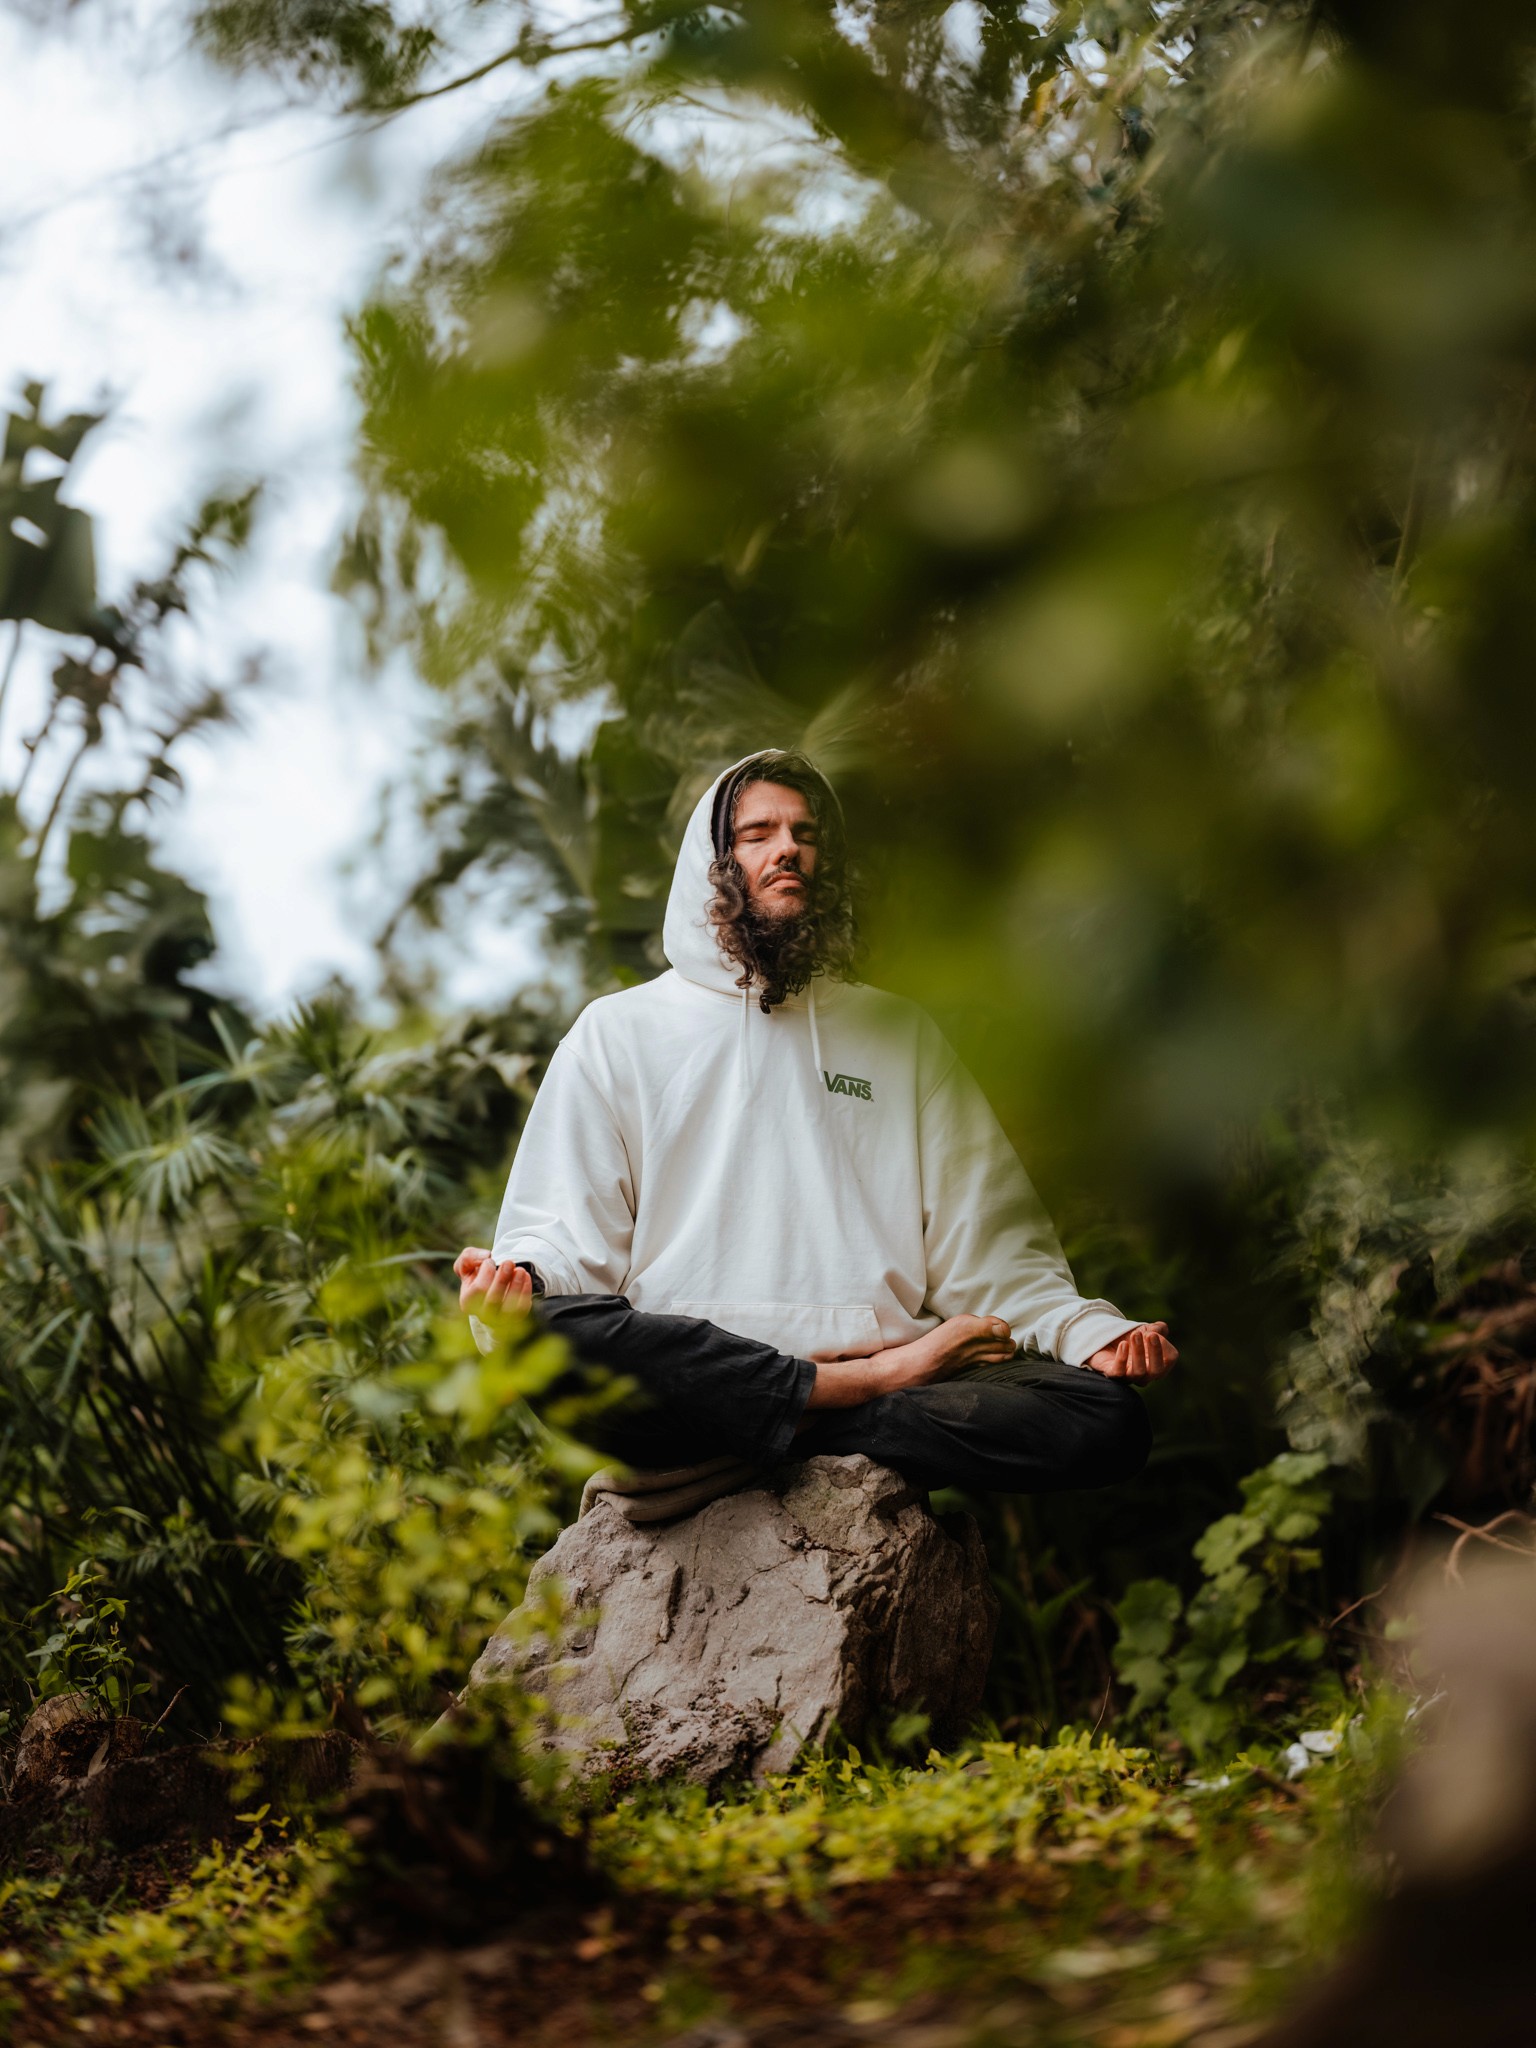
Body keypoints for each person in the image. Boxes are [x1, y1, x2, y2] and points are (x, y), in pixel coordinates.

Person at [456, 750, 1175, 1500]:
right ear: (712, 863)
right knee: (549, 1334)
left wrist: (1087, 1333)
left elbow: (990, 1244)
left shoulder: (899, 1033)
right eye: (758, 832)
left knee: (1102, 1419)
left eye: (804, 833)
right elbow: (564, 1235)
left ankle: (791, 1424)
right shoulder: (617, 1032)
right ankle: (850, 1394)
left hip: (808, 1389)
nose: (788, 848)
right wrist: (522, 1280)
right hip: (712, 1372)